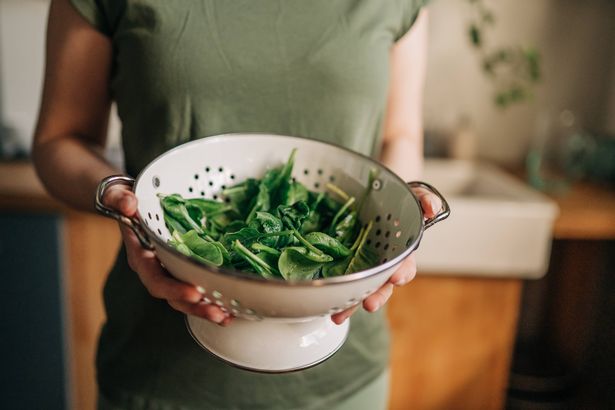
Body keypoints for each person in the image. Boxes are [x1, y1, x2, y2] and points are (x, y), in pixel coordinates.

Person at [32, 0, 439, 408]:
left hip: (343, 378)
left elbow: (399, 134)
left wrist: (397, 208)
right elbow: (59, 141)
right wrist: (120, 198)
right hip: (158, 374)